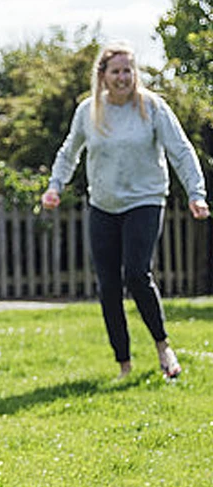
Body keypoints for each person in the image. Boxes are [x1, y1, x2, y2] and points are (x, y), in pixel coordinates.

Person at [41, 42, 210, 380]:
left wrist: (196, 192)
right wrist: (55, 185)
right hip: (103, 204)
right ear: (102, 75)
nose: (123, 77)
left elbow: (180, 150)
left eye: (128, 70)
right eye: (116, 71)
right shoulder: (89, 111)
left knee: (136, 273)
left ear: (136, 73)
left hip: (145, 200)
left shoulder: (152, 107)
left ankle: (163, 347)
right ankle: (124, 364)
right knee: (108, 286)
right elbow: (69, 152)